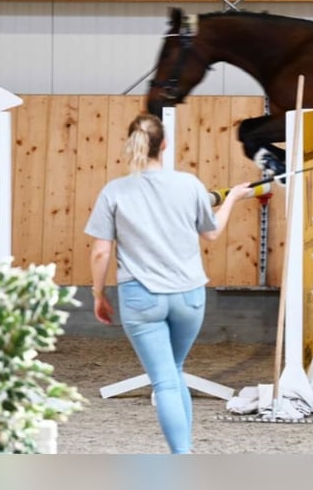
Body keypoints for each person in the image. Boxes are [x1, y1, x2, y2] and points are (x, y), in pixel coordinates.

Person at [84, 113, 252, 454]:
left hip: (141, 298)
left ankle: (182, 458)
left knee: (164, 381)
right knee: (174, 372)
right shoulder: (190, 184)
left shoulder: (114, 191)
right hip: (189, 297)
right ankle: (185, 451)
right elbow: (212, 233)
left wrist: (98, 293)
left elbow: (101, 252)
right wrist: (233, 197)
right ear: (165, 144)